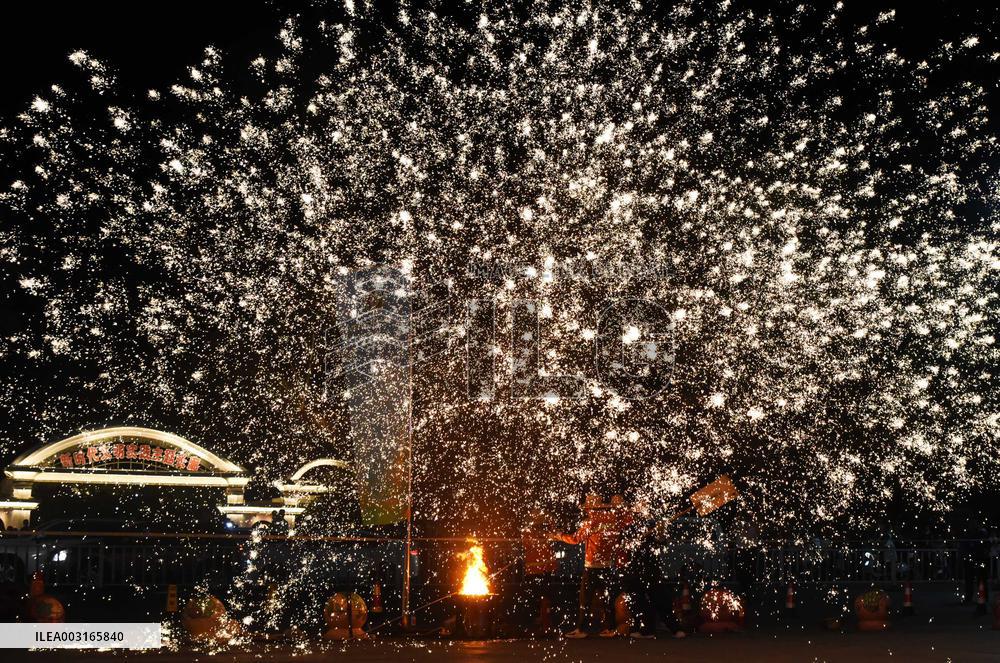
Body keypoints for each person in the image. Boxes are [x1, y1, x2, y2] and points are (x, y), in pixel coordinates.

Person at [551, 494, 621, 638]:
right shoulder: (612, 521)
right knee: (607, 599)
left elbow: (575, 539)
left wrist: (559, 535)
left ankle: (581, 629)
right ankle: (611, 628)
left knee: (585, 600)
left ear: (590, 508)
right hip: (607, 565)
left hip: (592, 566)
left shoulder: (590, 523)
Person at [520, 510, 559, 634]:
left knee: (543, 599)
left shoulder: (544, 533)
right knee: (539, 599)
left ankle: (544, 623)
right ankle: (540, 624)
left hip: (542, 571)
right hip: (537, 572)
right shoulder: (529, 534)